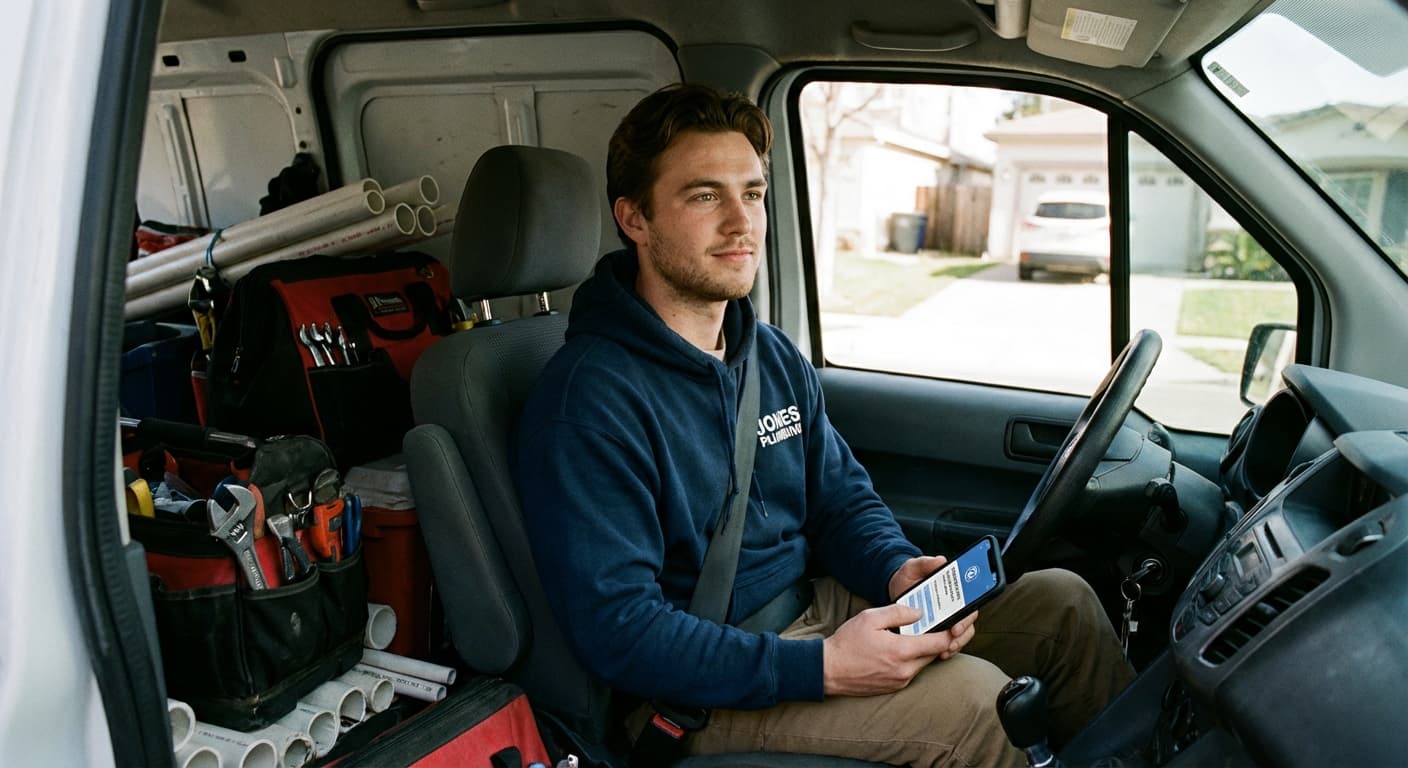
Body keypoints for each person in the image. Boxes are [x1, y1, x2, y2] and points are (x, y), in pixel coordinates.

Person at [512, 82, 1134, 767]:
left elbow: (839, 500)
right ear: (634, 219)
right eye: (703, 196)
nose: (741, 223)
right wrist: (825, 668)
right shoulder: (587, 404)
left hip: (813, 608)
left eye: (751, 193)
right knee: (976, 707)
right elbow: (622, 632)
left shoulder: (769, 355)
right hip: (692, 691)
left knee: (1062, 606)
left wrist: (897, 572)